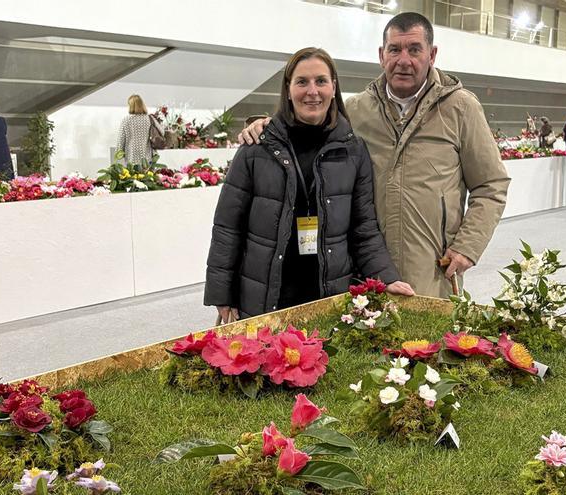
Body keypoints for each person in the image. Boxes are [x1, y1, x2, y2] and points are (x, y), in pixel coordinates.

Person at [240, 12, 510, 298]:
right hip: (362, 271)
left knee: (429, 341)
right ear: (382, 55)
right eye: (395, 49)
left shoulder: (460, 108)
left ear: (432, 55)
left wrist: (467, 246)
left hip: (431, 271)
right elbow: (308, 122)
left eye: (414, 49)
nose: (403, 60)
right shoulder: (357, 109)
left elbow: (491, 185)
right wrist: (266, 126)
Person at [205, 47, 414, 323]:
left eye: (321, 81)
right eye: (302, 81)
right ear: (288, 89)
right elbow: (228, 227)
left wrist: (386, 277)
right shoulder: (257, 148)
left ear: (333, 87)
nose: (312, 91)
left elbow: (364, 228)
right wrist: (222, 293)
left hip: (328, 297)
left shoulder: (353, 150)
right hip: (266, 297)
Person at [116, 94, 161, 165]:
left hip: (131, 157)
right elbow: (162, 132)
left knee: (132, 175)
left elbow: (121, 139)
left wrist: (118, 154)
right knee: (147, 175)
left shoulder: (126, 120)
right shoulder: (150, 118)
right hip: (147, 156)